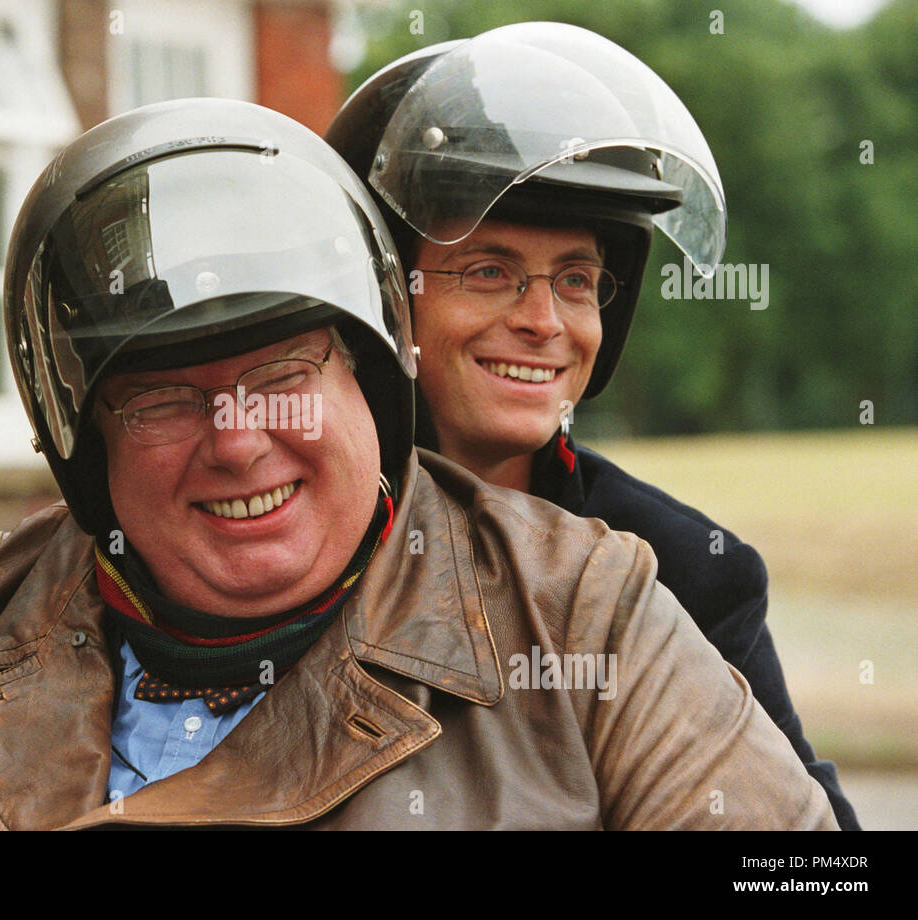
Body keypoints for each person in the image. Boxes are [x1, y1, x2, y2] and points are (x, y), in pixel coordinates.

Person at [0, 97, 836, 830]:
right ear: (89, 446)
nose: (238, 436)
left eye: (284, 371)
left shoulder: (600, 601)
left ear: (371, 379)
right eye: (163, 397)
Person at [322, 22, 858, 828]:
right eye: (490, 271)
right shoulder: (291, 541)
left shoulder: (682, 572)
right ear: (389, 298)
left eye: (576, 279)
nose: (544, 320)